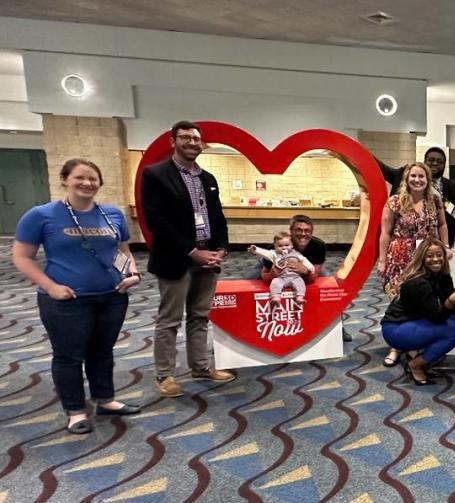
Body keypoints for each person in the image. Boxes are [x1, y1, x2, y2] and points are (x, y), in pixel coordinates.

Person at [12, 159, 142, 434]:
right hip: (66, 299)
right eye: (80, 178)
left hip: (112, 296)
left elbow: (123, 251)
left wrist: (132, 274)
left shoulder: (112, 214)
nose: (87, 183)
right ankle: (75, 411)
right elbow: (21, 257)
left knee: (102, 352)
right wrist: (50, 287)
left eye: (93, 179)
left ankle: (105, 400)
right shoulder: (42, 215)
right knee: (69, 356)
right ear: (64, 180)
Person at [141, 120, 236, 398]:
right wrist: (192, 252)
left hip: (208, 258)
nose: (192, 143)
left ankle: (201, 367)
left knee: (200, 316)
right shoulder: (156, 175)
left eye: (196, 139)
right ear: (173, 141)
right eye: (185, 138)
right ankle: (165, 375)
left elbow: (217, 217)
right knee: (170, 320)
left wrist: (221, 249)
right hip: (176, 258)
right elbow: (157, 220)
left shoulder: (207, 178)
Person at [378, 162, 449, 366]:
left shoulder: (435, 200)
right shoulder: (395, 201)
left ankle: (414, 343)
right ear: (406, 179)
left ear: (427, 180)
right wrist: (382, 260)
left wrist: (445, 246)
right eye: (413, 176)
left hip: (426, 257)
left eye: (421, 177)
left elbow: (443, 224)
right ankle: (396, 345)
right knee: (400, 300)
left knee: (423, 298)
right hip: (400, 257)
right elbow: (385, 232)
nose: (417, 180)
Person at [380, 238, 455, 384]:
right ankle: (416, 365)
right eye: (430, 256)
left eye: (439, 255)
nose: (436, 259)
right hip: (396, 329)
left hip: (417, 320)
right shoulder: (418, 282)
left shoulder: (442, 276)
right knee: (453, 331)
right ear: (422, 258)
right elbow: (439, 316)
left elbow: (451, 312)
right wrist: (450, 301)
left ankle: (424, 358)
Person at [378, 147, 455, 246]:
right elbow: (383, 169)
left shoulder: (454, 187)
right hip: (401, 246)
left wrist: (441, 201)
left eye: (439, 161)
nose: (435, 163)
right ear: (425, 161)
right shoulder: (403, 175)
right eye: (431, 160)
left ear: (444, 165)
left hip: (435, 248)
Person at [248, 230, 315, 306]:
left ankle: (299, 297)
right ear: (275, 246)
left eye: (287, 245)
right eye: (280, 246)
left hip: (295, 277)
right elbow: (265, 252)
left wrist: (310, 268)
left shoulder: (297, 254)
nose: (283, 248)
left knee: (301, 283)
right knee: (274, 283)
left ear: (292, 245)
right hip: (281, 277)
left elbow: (305, 261)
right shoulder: (274, 254)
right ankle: (276, 298)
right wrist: (256, 250)